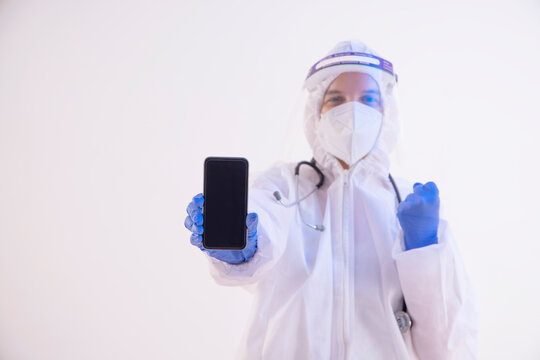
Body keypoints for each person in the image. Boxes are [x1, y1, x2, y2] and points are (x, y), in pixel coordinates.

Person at [184, 40, 478, 359]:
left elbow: (445, 344)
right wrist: (242, 243)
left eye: (368, 99)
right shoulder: (285, 185)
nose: (352, 112)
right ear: (316, 112)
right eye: (336, 99)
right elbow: (264, 216)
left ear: (386, 113)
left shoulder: (409, 203)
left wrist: (423, 251)